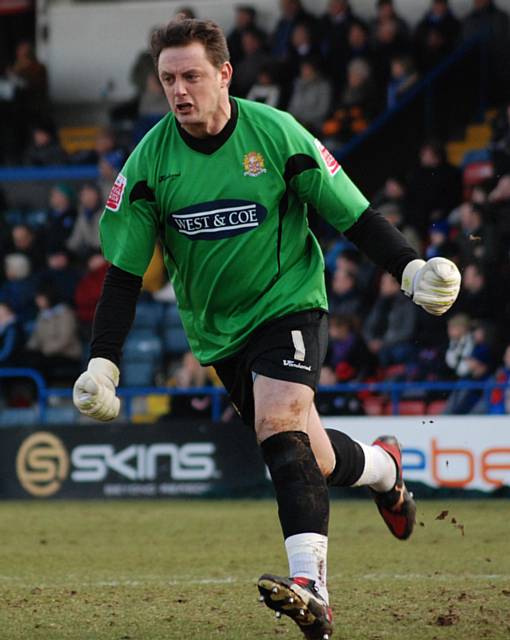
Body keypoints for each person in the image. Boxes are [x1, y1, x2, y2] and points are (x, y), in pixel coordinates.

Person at [72, 18, 461, 640]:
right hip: (220, 334)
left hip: (290, 304)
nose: (179, 89)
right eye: (168, 77)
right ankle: (385, 469)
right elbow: (122, 276)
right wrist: (103, 361)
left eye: (192, 75)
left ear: (225, 74)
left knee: (277, 420)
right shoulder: (147, 164)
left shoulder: (276, 135)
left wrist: (410, 269)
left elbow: (352, 216)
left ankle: (312, 587)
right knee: (312, 452)